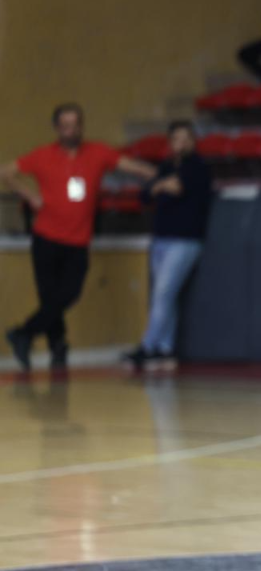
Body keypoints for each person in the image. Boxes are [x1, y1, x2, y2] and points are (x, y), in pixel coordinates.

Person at [2, 103, 156, 373]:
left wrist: (161, 175)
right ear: (57, 128)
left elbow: (130, 166)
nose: (71, 131)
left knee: (69, 294)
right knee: (50, 299)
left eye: (75, 125)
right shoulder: (42, 155)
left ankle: (23, 333)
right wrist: (31, 196)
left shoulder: (97, 152)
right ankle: (58, 347)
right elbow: (6, 172)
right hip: (46, 238)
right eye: (65, 126)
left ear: (81, 126)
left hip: (78, 241)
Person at [123, 121, 214, 370]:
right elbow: (145, 194)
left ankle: (147, 346)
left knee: (163, 292)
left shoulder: (198, 166)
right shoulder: (166, 166)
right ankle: (165, 348)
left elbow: (178, 188)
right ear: (170, 142)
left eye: (186, 138)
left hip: (184, 240)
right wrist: (162, 184)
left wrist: (161, 185)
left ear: (193, 141)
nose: (181, 143)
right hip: (161, 238)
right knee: (165, 295)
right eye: (176, 139)